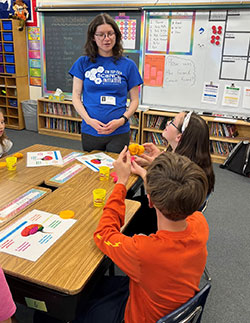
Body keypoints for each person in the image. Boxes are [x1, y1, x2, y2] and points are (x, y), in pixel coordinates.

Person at [74, 148, 209, 323]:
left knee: (58, 313)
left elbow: (103, 234)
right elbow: (173, 195)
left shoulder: (144, 251)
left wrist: (121, 182)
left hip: (139, 315)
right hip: (166, 298)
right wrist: (153, 175)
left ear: (150, 200)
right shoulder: (200, 222)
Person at [125, 111, 215, 235]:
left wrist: (142, 172)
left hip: (167, 216)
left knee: (128, 208)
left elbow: (161, 196)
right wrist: (158, 160)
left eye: (172, 122)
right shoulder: (190, 160)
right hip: (178, 212)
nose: (167, 123)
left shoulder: (183, 172)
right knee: (132, 201)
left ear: (179, 137)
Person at [69, 13, 143, 153]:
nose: (106, 38)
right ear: (93, 37)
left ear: (116, 35)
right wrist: (89, 121)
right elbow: (76, 97)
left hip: (119, 132)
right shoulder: (82, 63)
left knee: (117, 170)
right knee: (92, 171)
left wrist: (122, 120)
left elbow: (134, 101)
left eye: (110, 33)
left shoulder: (128, 65)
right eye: (101, 34)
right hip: (91, 130)